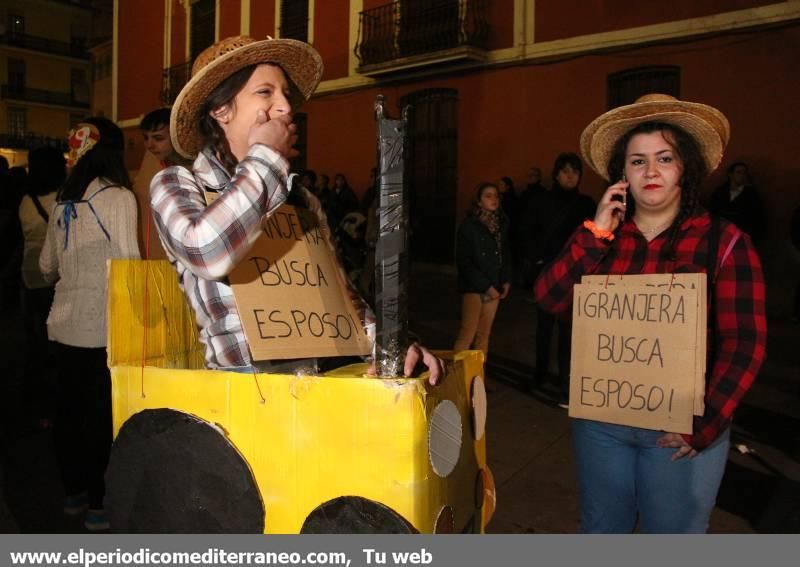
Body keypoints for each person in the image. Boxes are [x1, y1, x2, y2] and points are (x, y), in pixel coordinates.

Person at [534, 93, 767, 533]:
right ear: (623, 174)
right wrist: (595, 234)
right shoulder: (601, 236)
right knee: (602, 532)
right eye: (638, 161)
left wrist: (706, 422)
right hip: (602, 425)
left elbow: (745, 343)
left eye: (664, 157)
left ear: (686, 168)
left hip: (681, 433)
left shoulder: (725, 242)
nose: (652, 171)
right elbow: (549, 297)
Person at [150, 35, 442, 381]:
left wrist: (390, 344)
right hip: (248, 389)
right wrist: (267, 158)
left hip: (324, 382)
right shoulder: (179, 185)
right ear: (221, 110)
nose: (285, 106)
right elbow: (207, 252)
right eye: (265, 92)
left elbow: (339, 292)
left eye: (285, 94)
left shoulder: (302, 199)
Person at [40, 117, 141, 531]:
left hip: (62, 325)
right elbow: (130, 264)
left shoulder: (63, 200)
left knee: (68, 412)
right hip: (104, 328)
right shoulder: (118, 198)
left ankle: (72, 493)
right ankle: (99, 504)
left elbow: (46, 265)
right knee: (100, 416)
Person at [528, 153, 596, 404]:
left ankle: (566, 383)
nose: (570, 175)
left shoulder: (586, 204)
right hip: (547, 272)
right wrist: (536, 262)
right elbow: (529, 232)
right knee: (543, 329)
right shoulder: (541, 200)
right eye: (565, 170)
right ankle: (540, 374)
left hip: (575, 276)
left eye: (575, 171)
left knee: (569, 333)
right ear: (556, 173)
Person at [18, 146, 65, 428]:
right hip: (55, 278)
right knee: (53, 347)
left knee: (34, 345)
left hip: (29, 276)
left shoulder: (25, 201)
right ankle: (53, 405)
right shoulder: (62, 200)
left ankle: (33, 406)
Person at [453, 183, 511, 379]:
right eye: (487, 195)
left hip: (494, 286)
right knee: (467, 333)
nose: (493, 199)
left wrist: (505, 281)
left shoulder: (501, 224)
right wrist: (486, 286)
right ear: (478, 200)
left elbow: (506, 254)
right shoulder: (469, 226)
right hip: (475, 287)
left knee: (483, 336)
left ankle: (478, 378)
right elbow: (465, 261)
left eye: (495, 195)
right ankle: (457, 377)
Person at [708, 160, 765, 241]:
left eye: (744, 173)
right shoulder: (720, 192)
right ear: (730, 175)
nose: (742, 175)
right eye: (739, 172)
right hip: (720, 236)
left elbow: (757, 219)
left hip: (741, 237)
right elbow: (712, 213)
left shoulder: (752, 195)